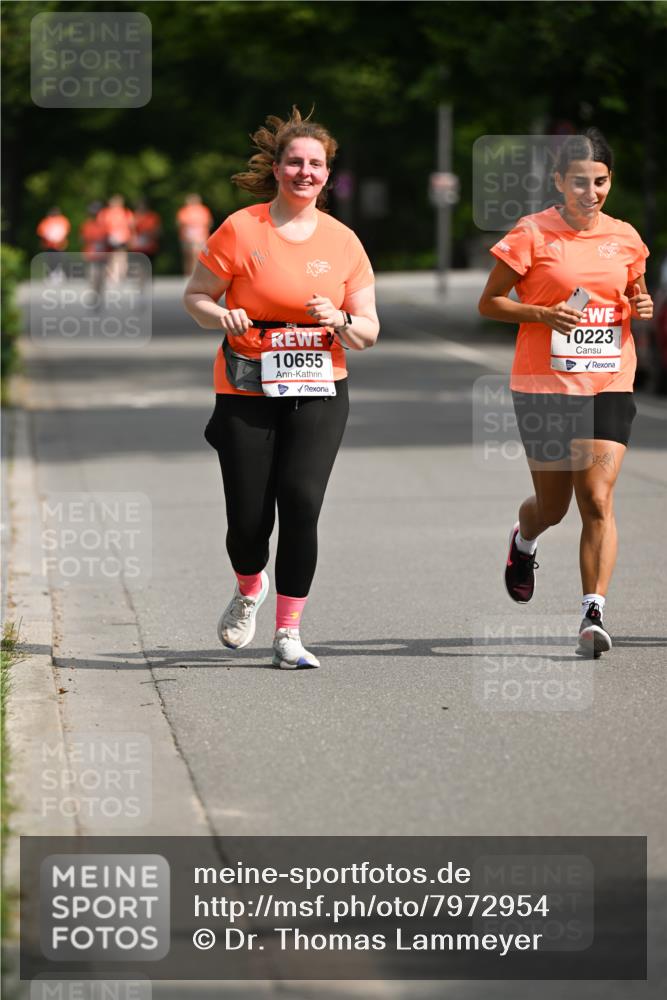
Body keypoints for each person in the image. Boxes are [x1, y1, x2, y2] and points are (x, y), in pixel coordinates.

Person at [183, 107, 378, 668]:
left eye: (315, 164)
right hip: (246, 385)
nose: (304, 172)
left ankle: (288, 632)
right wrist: (221, 316)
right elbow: (196, 297)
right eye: (295, 162)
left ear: (327, 173)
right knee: (248, 520)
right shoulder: (242, 229)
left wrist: (339, 320)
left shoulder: (344, 242)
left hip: (320, 384)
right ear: (276, 167)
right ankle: (249, 587)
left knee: (300, 503)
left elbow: (369, 328)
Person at [478, 128, 653, 657]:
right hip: (545, 385)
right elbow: (490, 303)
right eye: (579, 182)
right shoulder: (532, 233)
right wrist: (541, 312)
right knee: (553, 507)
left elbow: (632, 291)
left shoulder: (625, 237)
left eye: (600, 182)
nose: (591, 192)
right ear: (558, 181)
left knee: (598, 497)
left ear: (609, 181)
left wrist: (640, 305)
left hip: (608, 379)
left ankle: (592, 613)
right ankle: (524, 538)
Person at [97, 194, 135, 282]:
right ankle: (116, 273)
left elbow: (131, 225)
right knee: (115, 255)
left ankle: (119, 272)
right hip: (112, 237)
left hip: (121, 237)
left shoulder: (124, 213)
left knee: (119, 255)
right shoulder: (107, 213)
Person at [177, 193, 213, 275]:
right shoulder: (185, 210)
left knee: (198, 255)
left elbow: (209, 222)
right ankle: (189, 273)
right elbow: (180, 223)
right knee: (189, 256)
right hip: (187, 237)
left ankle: (196, 273)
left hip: (200, 236)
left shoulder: (203, 210)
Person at [79, 201, 107, 298]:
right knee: (93, 276)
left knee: (100, 278)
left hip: (102, 255)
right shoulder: (86, 225)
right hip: (90, 255)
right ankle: (94, 294)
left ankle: (99, 293)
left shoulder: (104, 225)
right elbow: (82, 239)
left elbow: (108, 240)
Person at [36, 206, 70, 282]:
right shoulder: (47, 221)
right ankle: (52, 274)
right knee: (51, 260)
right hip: (50, 245)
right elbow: (42, 232)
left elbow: (65, 231)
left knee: (58, 259)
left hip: (59, 244)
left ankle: (59, 273)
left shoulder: (62, 220)